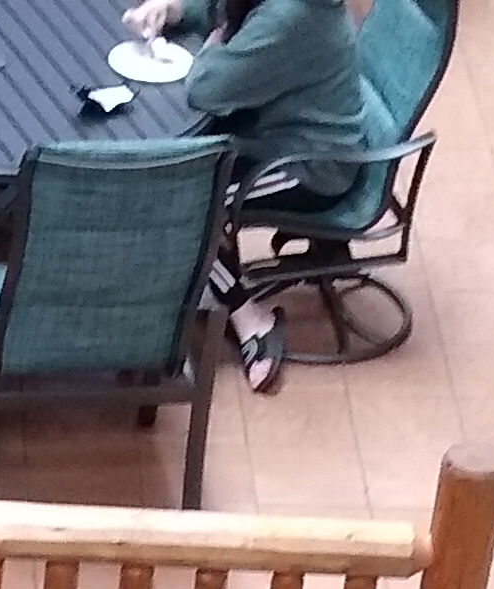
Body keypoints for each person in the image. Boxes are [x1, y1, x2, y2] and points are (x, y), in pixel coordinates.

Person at [121, 0, 364, 388]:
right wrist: (173, 9)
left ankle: (251, 319)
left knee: (185, 202)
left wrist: (214, 46)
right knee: (183, 177)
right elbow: (222, 10)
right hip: (274, 135)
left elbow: (206, 88)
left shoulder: (291, 16)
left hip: (309, 166)